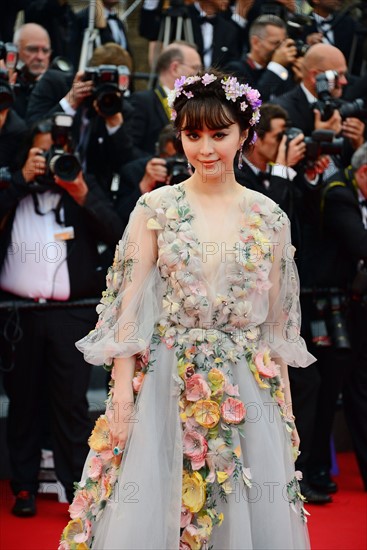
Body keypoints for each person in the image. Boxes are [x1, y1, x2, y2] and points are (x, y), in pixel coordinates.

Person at [59, 70, 314, 549]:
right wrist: (120, 395)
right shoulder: (155, 208)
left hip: (247, 386)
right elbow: (126, 307)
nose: (206, 149)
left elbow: (277, 326)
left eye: (219, 135)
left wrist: (286, 409)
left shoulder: (270, 216)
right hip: (165, 382)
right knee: (160, 511)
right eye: (193, 135)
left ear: (244, 135)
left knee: (244, 512)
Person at [0, 116, 125, 516]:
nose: (51, 160)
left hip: (71, 314)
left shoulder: (78, 190)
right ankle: (23, 487)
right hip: (18, 317)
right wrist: (20, 179)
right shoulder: (11, 189)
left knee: (71, 403)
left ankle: (77, 488)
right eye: (42, 152)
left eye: (58, 151)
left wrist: (82, 190)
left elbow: (120, 234)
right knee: (23, 402)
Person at [129, 41, 202, 157]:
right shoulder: (142, 102)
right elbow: (129, 150)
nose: (199, 75)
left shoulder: (197, 104)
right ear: (175, 68)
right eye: (195, 68)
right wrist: (157, 165)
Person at [226, 15, 301, 101]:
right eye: (275, 43)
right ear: (256, 42)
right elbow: (254, 102)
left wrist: (298, 83)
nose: (281, 49)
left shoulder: (283, 71)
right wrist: (276, 65)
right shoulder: (235, 70)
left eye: (283, 43)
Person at [12, 23, 52, 119]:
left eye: (45, 50)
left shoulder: (57, 88)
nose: (40, 57)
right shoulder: (7, 87)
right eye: (32, 49)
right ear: (15, 50)